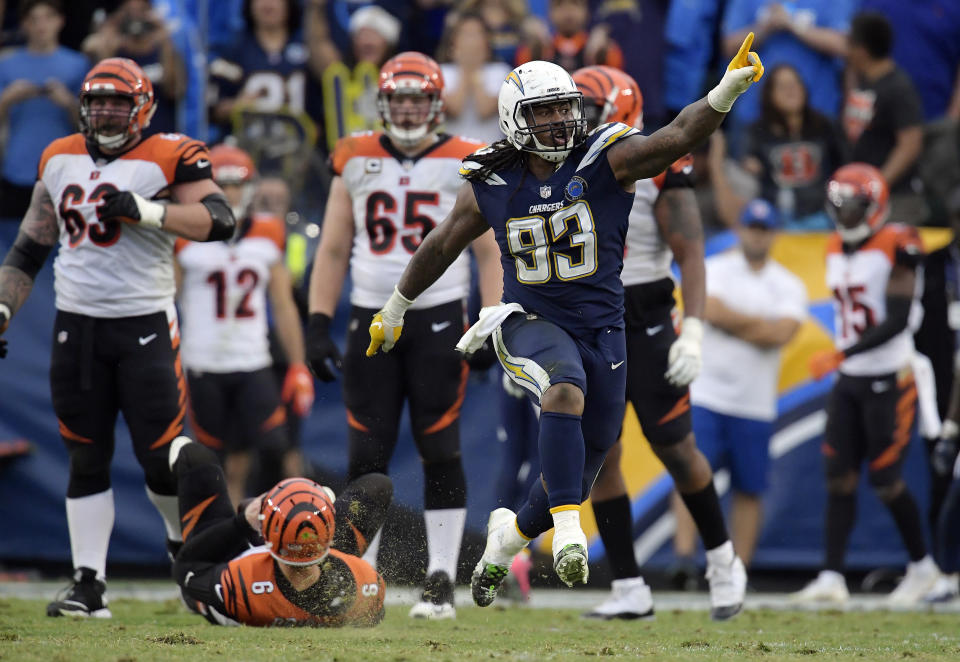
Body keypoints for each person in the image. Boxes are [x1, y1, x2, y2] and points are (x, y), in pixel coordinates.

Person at [365, 36, 765, 619]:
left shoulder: (608, 157)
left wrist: (724, 91)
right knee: (564, 389)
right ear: (513, 119)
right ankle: (570, 531)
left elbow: (676, 138)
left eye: (562, 108)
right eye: (542, 111)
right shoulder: (493, 178)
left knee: (592, 453)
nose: (557, 121)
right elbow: (444, 242)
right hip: (529, 320)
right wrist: (396, 306)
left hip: (607, 329)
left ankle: (510, 535)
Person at [0, 57, 236, 617]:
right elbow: (33, 244)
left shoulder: (169, 153)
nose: (105, 111)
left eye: (118, 101)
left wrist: (150, 212)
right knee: (86, 457)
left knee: (159, 461)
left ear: (142, 108)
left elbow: (221, 218)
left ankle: (188, 555)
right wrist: (4, 306)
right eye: (98, 100)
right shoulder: (59, 156)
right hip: (77, 324)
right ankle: (88, 584)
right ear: (83, 105)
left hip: (143, 323)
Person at [306, 52, 503, 620]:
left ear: (436, 104)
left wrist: (489, 316)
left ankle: (440, 580)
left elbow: (487, 248)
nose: (410, 109)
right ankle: (358, 575)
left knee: (441, 445)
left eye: (420, 99)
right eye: (401, 99)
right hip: (371, 316)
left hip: (439, 315)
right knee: (366, 451)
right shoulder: (356, 154)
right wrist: (319, 320)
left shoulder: (467, 157)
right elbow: (336, 247)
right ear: (384, 103)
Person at [570, 65, 738, 622]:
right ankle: (629, 586)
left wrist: (693, 330)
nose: (573, 123)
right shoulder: (559, 162)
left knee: (675, 445)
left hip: (644, 314)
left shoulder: (656, 164)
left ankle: (721, 560)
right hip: (588, 317)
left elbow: (690, 251)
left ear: (618, 110)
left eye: (586, 112)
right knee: (601, 452)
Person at [793, 163, 939, 606]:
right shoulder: (835, 246)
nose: (845, 216)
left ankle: (924, 569)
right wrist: (845, 359)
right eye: (839, 206)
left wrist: (842, 353)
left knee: (886, 480)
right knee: (838, 478)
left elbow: (897, 320)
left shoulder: (897, 242)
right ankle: (832, 577)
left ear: (873, 208)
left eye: (853, 208)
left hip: (889, 374)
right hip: (851, 378)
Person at [174, 144, 314, 506]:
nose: (231, 193)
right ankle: (222, 544)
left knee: (275, 449)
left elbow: (283, 306)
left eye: (236, 184)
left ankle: (290, 532)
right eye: (222, 184)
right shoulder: (185, 235)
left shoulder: (268, 232)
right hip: (204, 363)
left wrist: (298, 364)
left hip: (253, 362)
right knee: (215, 463)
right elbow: (166, 302)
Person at [674, 199, 805, 575]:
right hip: (706, 394)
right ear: (740, 229)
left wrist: (731, 321)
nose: (758, 235)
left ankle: (738, 569)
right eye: (752, 227)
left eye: (764, 229)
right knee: (689, 473)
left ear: (774, 234)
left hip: (754, 403)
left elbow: (781, 333)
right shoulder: (714, 268)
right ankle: (684, 559)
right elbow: (708, 310)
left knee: (750, 488)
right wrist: (757, 326)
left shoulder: (788, 283)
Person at [168, 437, 391, 627]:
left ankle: (175, 538)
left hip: (227, 579)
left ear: (265, 535)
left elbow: (186, 567)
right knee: (378, 486)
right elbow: (378, 484)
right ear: (331, 536)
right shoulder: (366, 582)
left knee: (192, 456)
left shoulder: (240, 583)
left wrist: (242, 523)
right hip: (307, 565)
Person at [0, 0, 87, 220]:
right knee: (13, 250)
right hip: (15, 171)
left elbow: (90, 127)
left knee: (61, 250)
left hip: (64, 174)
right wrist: (6, 99)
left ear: (60, 21)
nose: (41, 25)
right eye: (34, 19)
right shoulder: (6, 64)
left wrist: (68, 102)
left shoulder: (78, 64)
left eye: (48, 17)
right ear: (23, 24)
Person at [842, 12, 925, 223]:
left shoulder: (898, 87)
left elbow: (910, 144)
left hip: (896, 201)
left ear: (861, 51)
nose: (846, 51)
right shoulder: (865, 80)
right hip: (864, 199)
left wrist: (876, 185)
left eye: (849, 44)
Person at [743, 63, 847, 230]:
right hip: (776, 222)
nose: (791, 91)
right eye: (782, 86)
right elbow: (745, 173)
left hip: (823, 219)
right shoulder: (757, 133)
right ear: (769, 95)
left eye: (795, 84)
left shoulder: (824, 126)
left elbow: (842, 168)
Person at [81, 0, 185, 135]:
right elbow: (103, 90)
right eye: (130, 12)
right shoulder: (114, 52)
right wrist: (110, 35)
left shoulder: (164, 50)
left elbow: (175, 91)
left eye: (141, 11)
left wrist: (164, 39)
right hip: (123, 138)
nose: (136, 18)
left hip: (159, 136)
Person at [439, 12, 512, 145]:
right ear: (453, 40)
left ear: (487, 40)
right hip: (452, 155)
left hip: (490, 153)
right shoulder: (442, 72)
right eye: (465, 34)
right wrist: (464, 68)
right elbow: (455, 108)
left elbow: (484, 109)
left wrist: (476, 70)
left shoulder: (501, 71)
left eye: (477, 34)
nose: (471, 41)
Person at [515, 0, 623, 72]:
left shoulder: (600, 48)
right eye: (559, 4)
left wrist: (604, 53)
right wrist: (534, 50)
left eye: (575, 3)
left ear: (586, 11)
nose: (568, 11)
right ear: (549, 13)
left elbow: (615, 77)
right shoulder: (539, 48)